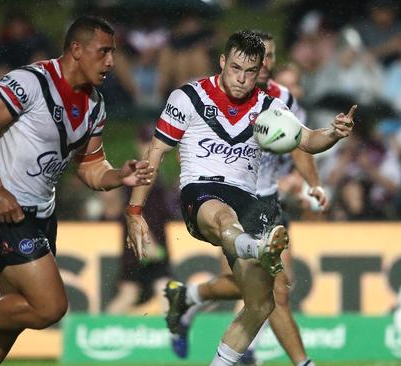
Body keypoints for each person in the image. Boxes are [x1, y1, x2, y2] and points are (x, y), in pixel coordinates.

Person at [0, 16, 153, 366]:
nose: (111, 62)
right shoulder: (31, 82)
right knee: (50, 307)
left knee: (7, 320)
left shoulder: (94, 105)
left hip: (41, 214)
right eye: (103, 52)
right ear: (76, 49)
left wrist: (120, 176)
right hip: (4, 209)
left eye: (113, 53)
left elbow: (90, 168)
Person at [125, 30, 355, 366]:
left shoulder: (269, 107)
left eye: (250, 72)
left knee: (261, 301)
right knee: (223, 218)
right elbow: (156, 152)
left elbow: (308, 141)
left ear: (261, 70)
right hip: (201, 193)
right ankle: (256, 250)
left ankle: (212, 343)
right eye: (235, 68)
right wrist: (135, 209)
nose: (241, 79)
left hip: (251, 203)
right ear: (222, 61)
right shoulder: (188, 97)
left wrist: (334, 132)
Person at [169, 31, 328, 366]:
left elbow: (300, 144)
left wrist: (312, 182)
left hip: (269, 201)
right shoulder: (216, 95)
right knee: (265, 290)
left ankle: (190, 297)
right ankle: (298, 362)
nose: (264, 63)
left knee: (274, 290)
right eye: (262, 57)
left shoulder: (282, 99)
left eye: (269, 57)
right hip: (234, 199)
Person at [105, 125, 175, 314]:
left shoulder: (158, 174)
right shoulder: (138, 174)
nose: (149, 148)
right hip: (140, 241)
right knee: (130, 293)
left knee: (162, 290)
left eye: (153, 143)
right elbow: (132, 210)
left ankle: (170, 336)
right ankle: (98, 330)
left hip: (156, 243)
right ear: (138, 144)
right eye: (146, 142)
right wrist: (146, 240)